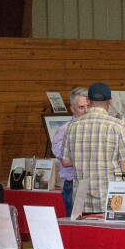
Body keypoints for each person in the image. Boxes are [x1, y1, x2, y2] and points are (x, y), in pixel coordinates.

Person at [60, 82, 125, 214]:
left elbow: (65, 161)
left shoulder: (72, 126)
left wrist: (87, 157)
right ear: (111, 101)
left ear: (89, 101)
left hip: (81, 202)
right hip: (111, 201)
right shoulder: (118, 126)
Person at [50, 86, 90, 215]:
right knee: (76, 228)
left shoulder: (96, 128)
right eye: (81, 107)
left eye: (88, 106)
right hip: (73, 185)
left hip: (94, 183)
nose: (86, 111)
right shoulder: (64, 130)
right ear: (72, 109)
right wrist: (93, 157)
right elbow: (65, 161)